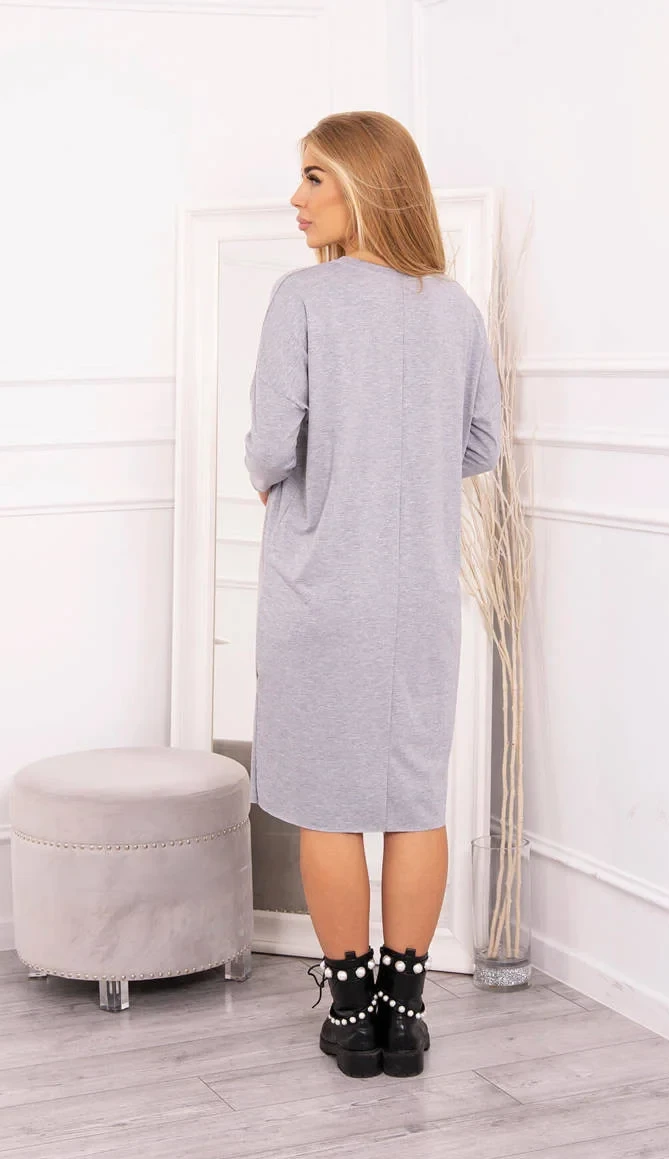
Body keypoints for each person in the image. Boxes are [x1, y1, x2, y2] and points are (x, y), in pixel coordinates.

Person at [243, 111, 501, 1080]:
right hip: (419, 593)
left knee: (328, 801)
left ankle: (351, 1015)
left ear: (365, 182)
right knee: (412, 799)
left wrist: (275, 477)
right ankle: (406, 1012)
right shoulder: (455, 309)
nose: (297, 198)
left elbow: (272, 444)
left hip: (321, 588)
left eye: (315, 177)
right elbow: (481, 444)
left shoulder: (303, 299)